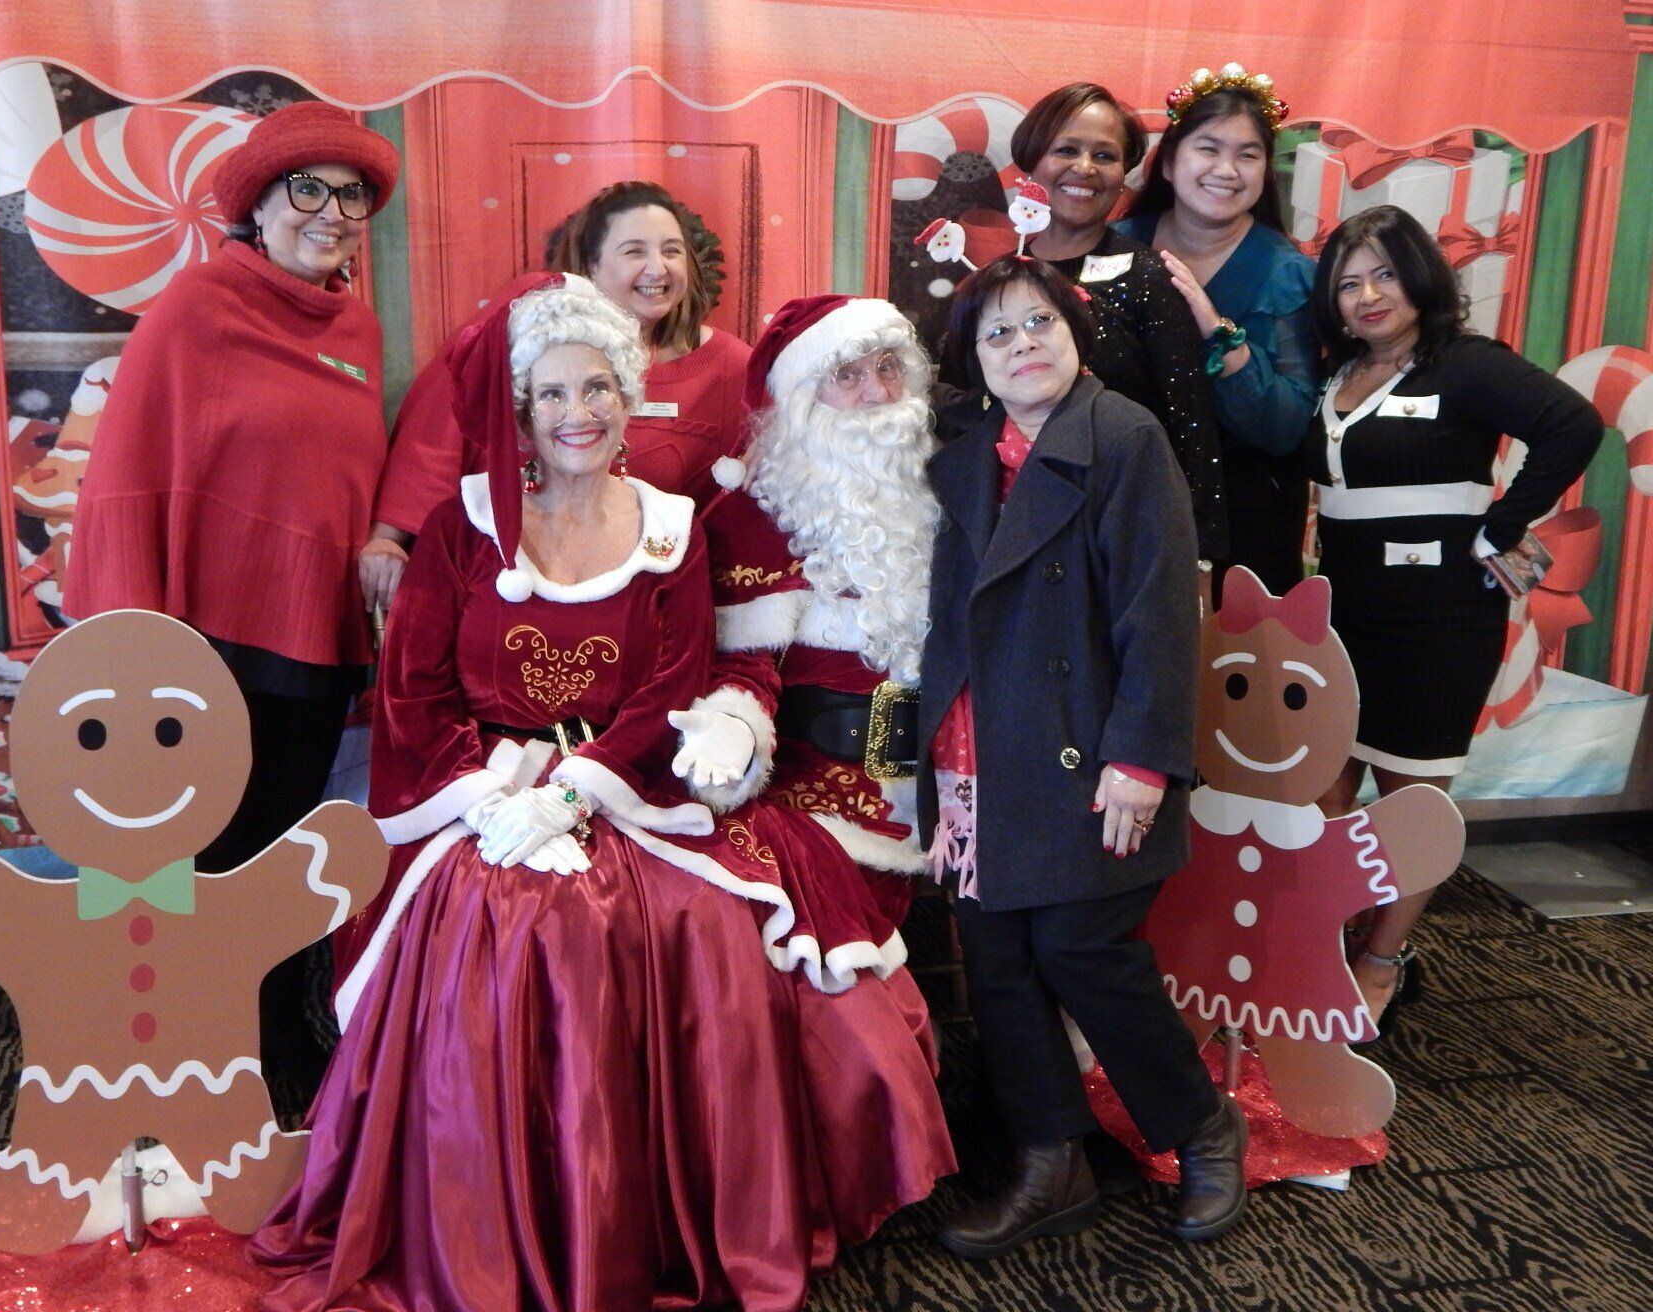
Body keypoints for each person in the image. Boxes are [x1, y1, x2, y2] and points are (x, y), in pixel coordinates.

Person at [251, 274, 950, 1312]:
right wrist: (490, 799)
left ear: (628, 398)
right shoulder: (462, 527)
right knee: (505, 920)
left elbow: (672, 686)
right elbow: (415, 693)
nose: (578, 412)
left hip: (626, 786)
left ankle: (664, 1216)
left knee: (702, 924)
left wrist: (577, 790)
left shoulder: (673, 528)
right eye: (553, 393)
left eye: (598, 388)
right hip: (484, 794)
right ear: (521, 411)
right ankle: (507, 1227)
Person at [63, 99, 401, 1094]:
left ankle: (278, 1028)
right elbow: (128, 470)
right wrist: (130, 635)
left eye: (352, 196)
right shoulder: (198, 307)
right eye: (309, 190)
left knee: (281, 849)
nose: (331, 212)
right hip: (204, 636)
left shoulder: (358, 327)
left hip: (314, 634)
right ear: (259, 204)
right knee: (201, 852)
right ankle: (203, 1055)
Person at [920, 255, 1247, 1257]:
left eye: (1041, 324)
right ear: (975, 361)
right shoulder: (966, 455)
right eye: (998, 333)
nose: (1023, 344)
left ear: (1075, 333)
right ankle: (1050, 1158)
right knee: (998, 963)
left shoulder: (1123, 436)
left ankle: (1201, 1126)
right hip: (978, 748)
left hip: (1089, 750)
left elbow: (1162, 614)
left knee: (1081, 950)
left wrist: (1141, 759)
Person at [1305, 206, 1602, 1024]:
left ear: (1420, 278)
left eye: (1385, 275)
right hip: (1343, 617)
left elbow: (1573, 424)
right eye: (1348, 283)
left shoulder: (1464, 364)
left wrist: (1504, 526)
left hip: (1436, 623)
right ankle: (1324, 944)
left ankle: (1383, 959)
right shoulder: (1337, 372)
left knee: (1412, 802)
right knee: (1322, 790)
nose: (1368, 296)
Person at [671, 295, 941, 973]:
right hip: (807, 803)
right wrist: (730, 729)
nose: (878, 393)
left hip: (947, 797)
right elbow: (736, 669)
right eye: (847, 375)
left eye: (888, 368)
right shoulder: (750, 516)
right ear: (801, 404)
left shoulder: (951, 492)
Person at [359, 181, 749, 618]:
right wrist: (389, 537)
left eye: (672, 251)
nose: (657, 269)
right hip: (500, 584)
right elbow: (438, 426)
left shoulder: (729, 367)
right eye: (634, 251)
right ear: (592, 265)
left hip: (631, 605)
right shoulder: (530, 311)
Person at [945, 82, 1225, 564]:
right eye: (1067, 150)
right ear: (1031, 162)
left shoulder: (1149, 277)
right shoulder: (992, 284)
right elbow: (960, 408)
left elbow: (1191, 428)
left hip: (1118, 539)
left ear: (1124, 174)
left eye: (1105, 155)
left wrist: (1197, 560)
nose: (1085, 168)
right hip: (1007, 537)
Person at [1115, 64, 1321, 595]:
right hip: (1118, 501)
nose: (1226, 170)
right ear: (1169, 163)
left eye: (1247, 155)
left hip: (1246, 518)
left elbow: (1286, 427)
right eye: (1208, 148)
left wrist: (1217, 331)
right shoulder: (1112, 250)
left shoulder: (1289, 274)